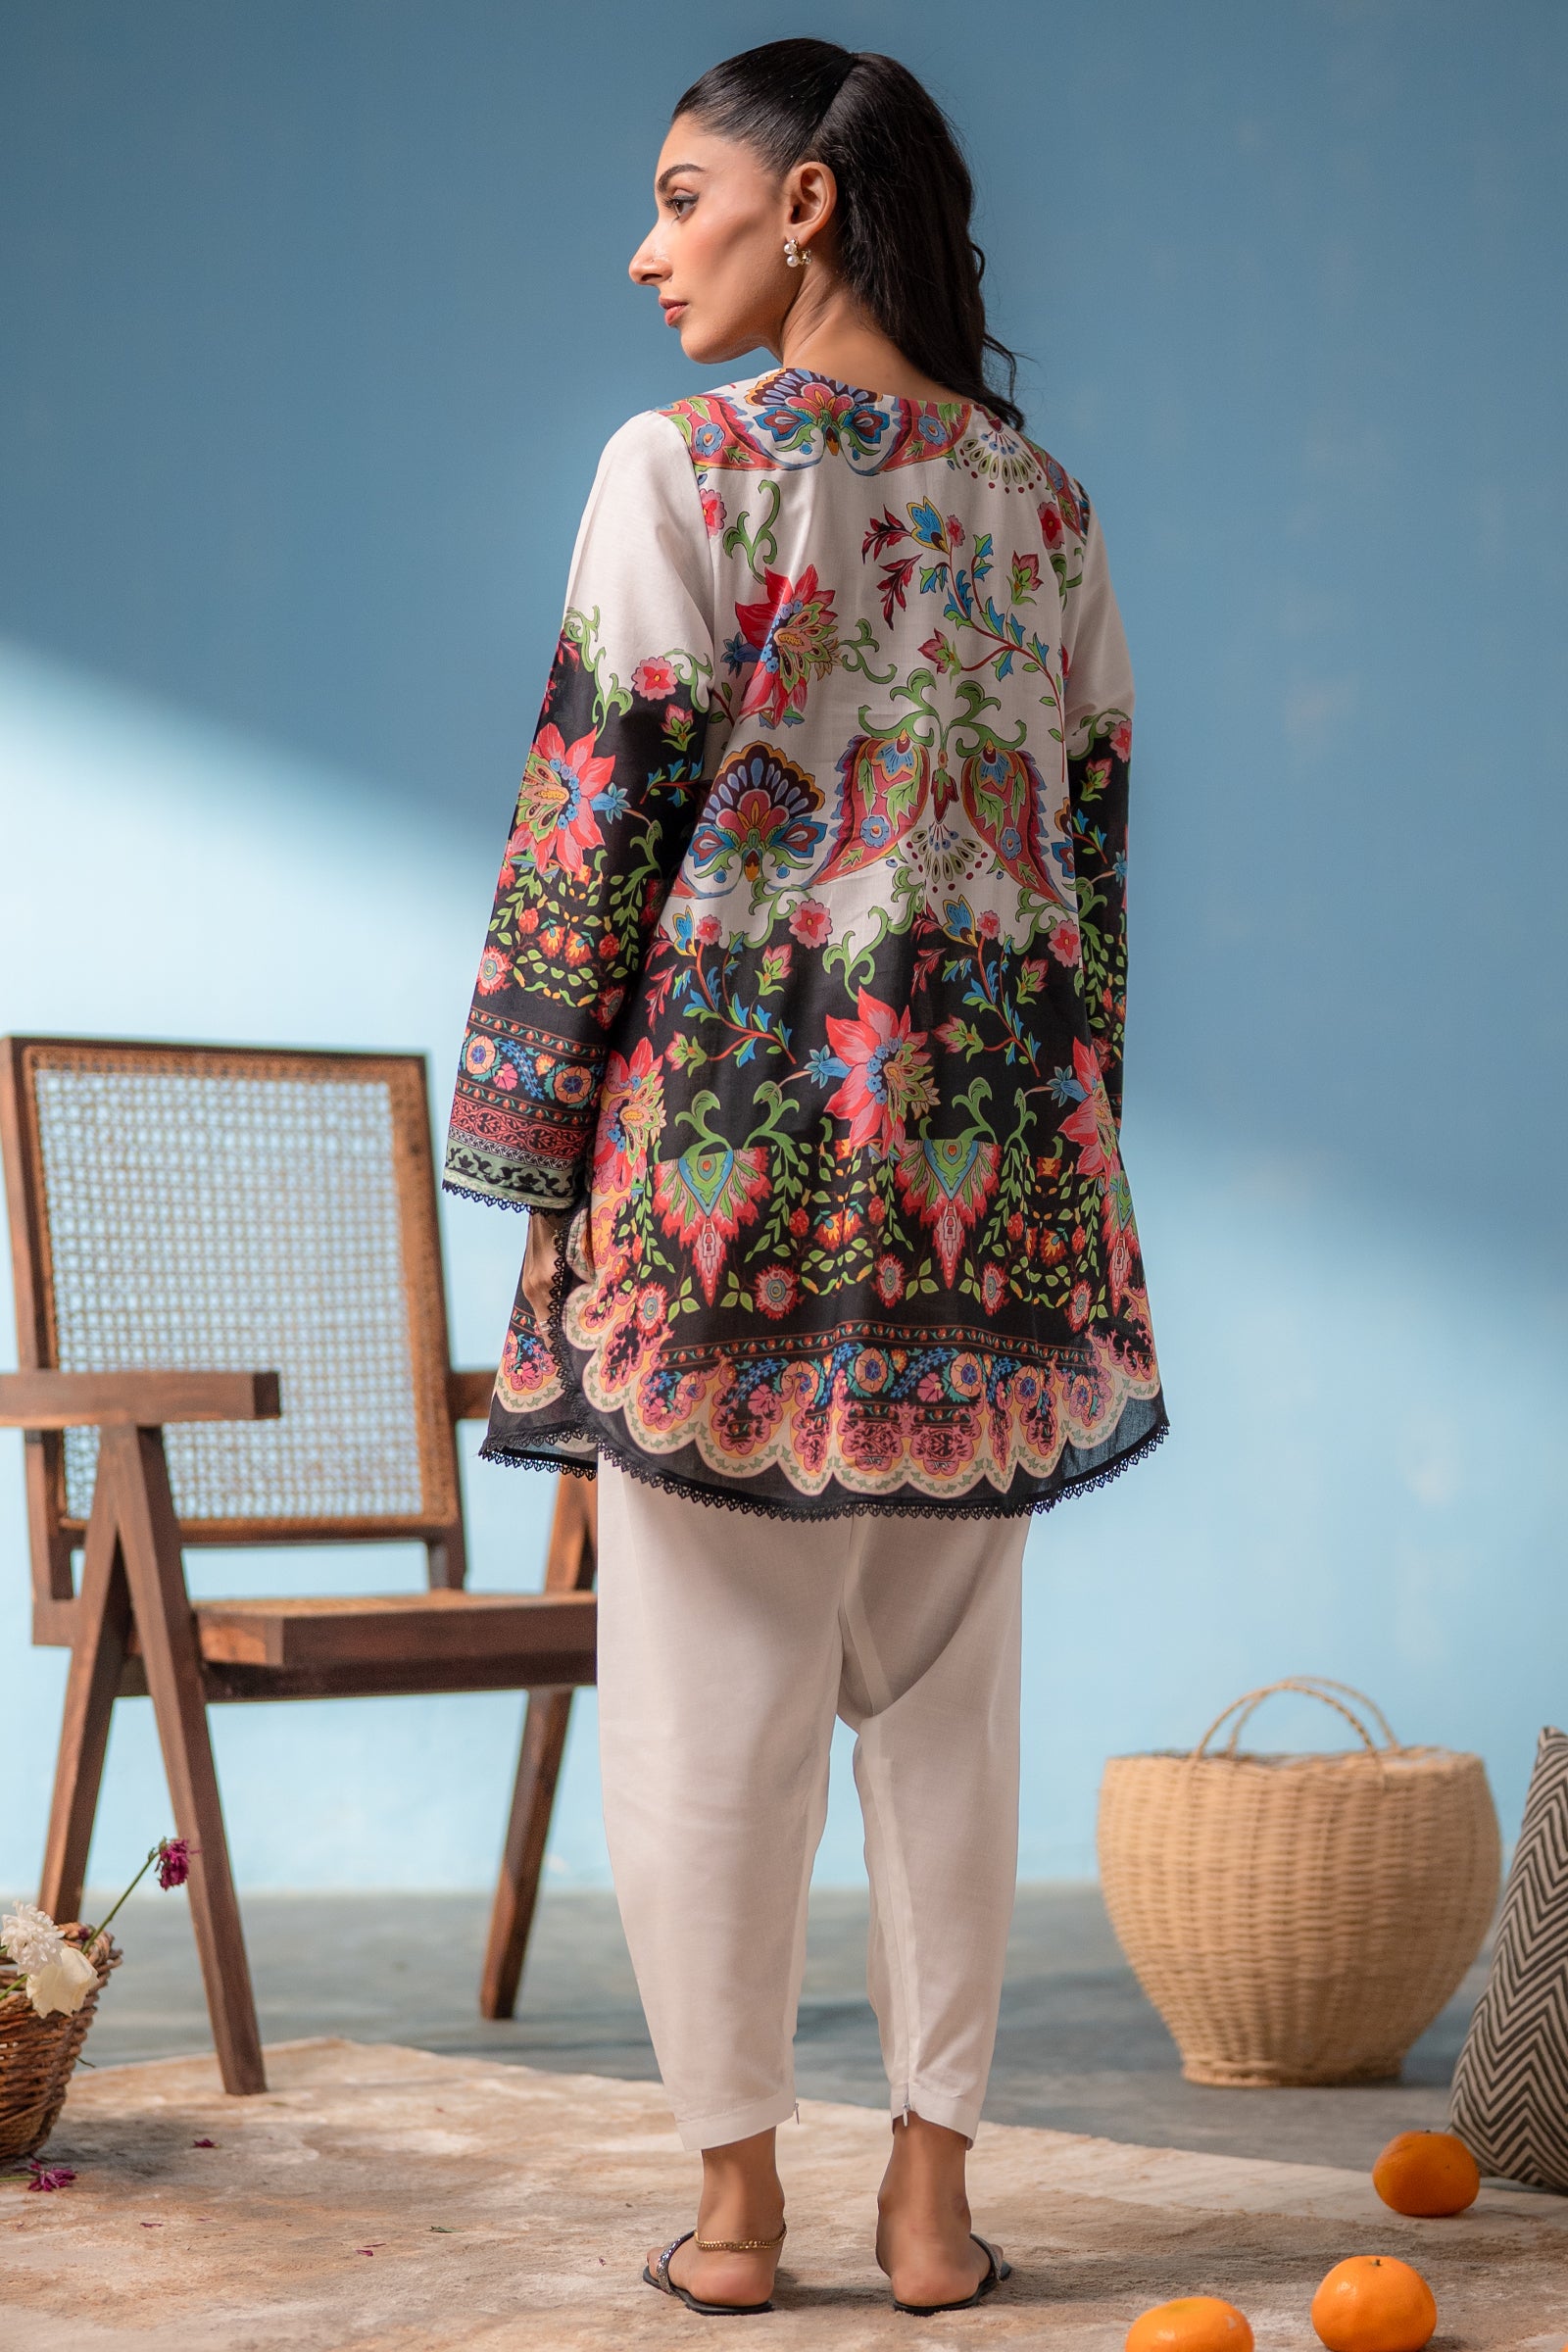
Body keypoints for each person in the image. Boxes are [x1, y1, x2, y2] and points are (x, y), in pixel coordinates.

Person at [445, 37, 1166, 2319]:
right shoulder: (1045, 506)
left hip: (719, 1189)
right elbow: (1088, 865)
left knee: (705, 1729)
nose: (645, 251)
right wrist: (1068, 1159)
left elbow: (592, 816)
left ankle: (738, 2218)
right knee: (945, 1725)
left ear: (810, 203)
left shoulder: (679, 467)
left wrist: (533, 1161)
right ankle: (930, 2209)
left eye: (682, 198)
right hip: (991, 1191)